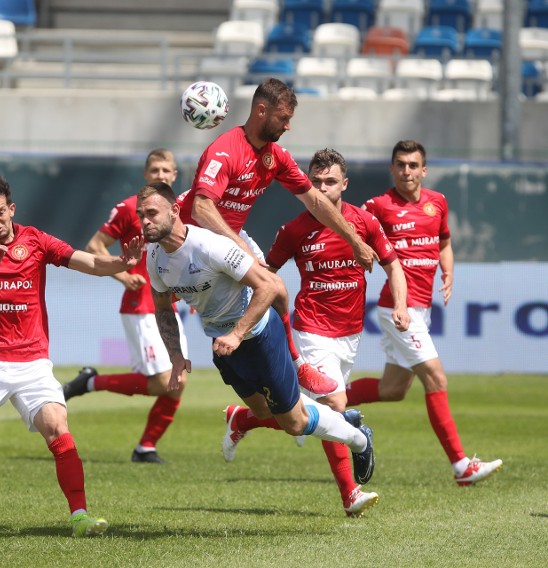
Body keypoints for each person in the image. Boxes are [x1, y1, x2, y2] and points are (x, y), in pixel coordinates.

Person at [138, 181, 377, 499]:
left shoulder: (212, 246)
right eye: (141, 215)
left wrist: (238, 333)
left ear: (174, 211)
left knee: (293, 422)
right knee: (263, 411)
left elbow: (270, 286)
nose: (144, 221)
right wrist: (176, 356)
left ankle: (359, 439)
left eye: (151, 213)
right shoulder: (155, 257)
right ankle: (260, 419)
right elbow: (162, 307)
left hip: (260, 336)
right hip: (223, 345)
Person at [0, 176, 144, 537]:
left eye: (0, 212)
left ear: (11, 209)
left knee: (58, 428)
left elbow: (89, 262)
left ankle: (79, 516)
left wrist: (122, 263)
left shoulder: (36, 241)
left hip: (31, 361)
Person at [221, 148, 410, 517]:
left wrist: (400, 304)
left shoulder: (365, 221)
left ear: (344, 184)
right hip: (311, 329)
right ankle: (350, 494)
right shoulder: (294, 230)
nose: (322, 189)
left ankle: (242, 419)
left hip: (350, 334)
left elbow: (393, 264)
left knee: (302, 419)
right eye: (316, 182)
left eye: (330, 182)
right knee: (333, 406)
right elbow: (266, 274)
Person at [179, 77, 381, 396]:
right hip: (196, 241)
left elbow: (314, 200)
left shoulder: (275, 156)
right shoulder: (225, 151)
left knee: (275, 291)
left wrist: (355, 241)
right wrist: (238, 243)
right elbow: (203, 208)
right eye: (283, 118)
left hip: (229, 236)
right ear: (262, 110)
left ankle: (283, 367)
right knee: (270, 287)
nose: (288, 126)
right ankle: (274, 361)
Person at [346, 140, 503, 486]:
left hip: (421, 309)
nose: (407, 171)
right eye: (400, 164)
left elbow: (444, 242)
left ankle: (320, 402)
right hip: (397, 309)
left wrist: (448, 271)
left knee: (393, 390)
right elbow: (346, 225)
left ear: (423, 170)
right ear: (392, 169)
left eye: (413, 165)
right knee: (437, 378)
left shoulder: (438, 203)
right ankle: (462, 466)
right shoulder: (379, 205)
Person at [62, 148, 189, 464]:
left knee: (177, 380)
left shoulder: (180, 209)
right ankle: (90, 382)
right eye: (155, 170)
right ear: (146, 175)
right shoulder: (129, 208)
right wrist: (123, 275)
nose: (161, 175)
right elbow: (94, 245)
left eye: (166, 171)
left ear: (175, 175)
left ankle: (145, 447)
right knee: (163, 381)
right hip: (140, 305)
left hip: (168, 305)